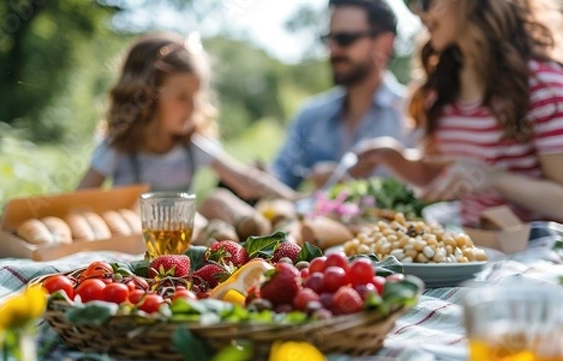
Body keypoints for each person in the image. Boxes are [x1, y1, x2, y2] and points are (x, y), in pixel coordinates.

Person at [349, 0, 563, 226]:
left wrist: (494, 178)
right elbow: (441, 174)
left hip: (535, 253)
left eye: (427, 1)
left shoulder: (542, 86)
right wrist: (391, 156)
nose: (417, 12)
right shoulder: (441, 88)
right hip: (471, 252)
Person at [77, 31, 298, 201]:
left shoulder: (191, 146)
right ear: (146, 98)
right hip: (131, 252)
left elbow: (245, 181)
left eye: (197, 96)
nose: (193, 107)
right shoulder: (118, 148)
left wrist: (294, 200)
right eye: (182, 97)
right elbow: (80, 199)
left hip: (179, 249)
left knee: (218, 202)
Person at [270, 0, 410, 190]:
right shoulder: (310, 116)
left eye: (345, 39)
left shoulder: (414, 115)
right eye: (329, 39)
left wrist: (345, 187)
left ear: (384, 44)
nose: (333, 50)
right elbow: (279, 178)